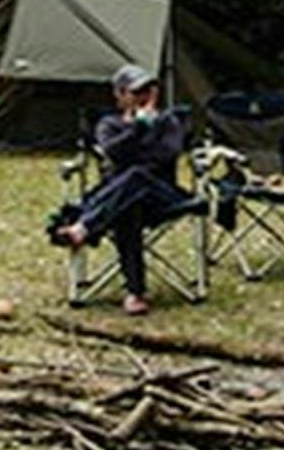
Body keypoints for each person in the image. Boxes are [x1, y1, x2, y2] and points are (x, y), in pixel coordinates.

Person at [51, 64, 192, 316]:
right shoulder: (108, 124)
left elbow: (166, 154)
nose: (143, 96)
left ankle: (84, 228)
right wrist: (139, 128)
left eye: (147, 90)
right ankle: (135, 293)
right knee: (128, 206)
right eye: (135, 91)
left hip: (162, 195)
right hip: (120, 200)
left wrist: (135, 141)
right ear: (120, 95)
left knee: (136, 176)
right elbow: (112, 152)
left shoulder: (168, 121)